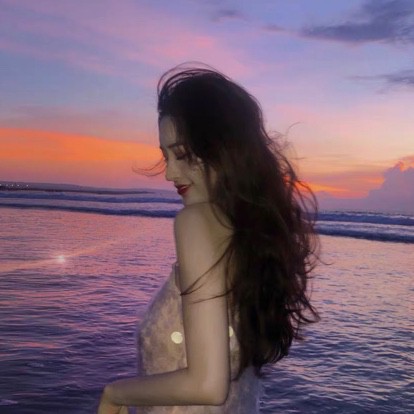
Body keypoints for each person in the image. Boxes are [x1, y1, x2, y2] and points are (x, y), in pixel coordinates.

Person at [98, 65, 319, 413]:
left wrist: (115, 393)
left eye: (183, 155)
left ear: (225, 150)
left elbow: (207, 385)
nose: (170, 173)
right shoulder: (251, 237)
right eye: (166, 156)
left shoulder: (197, 223)